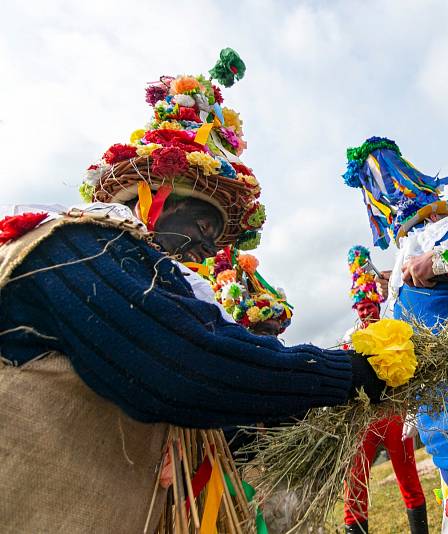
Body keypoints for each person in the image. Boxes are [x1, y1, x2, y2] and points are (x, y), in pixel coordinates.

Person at [0, 51, 384, 534]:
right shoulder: (79, 246)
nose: (207, 245)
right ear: (157, 195)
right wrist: (347, 372)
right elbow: (187, 364)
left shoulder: (139, 271)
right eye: (204, 224)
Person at [339, 245, 428, 534]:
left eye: (370, 306)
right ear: (356, 310)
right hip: (361, 421)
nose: (366, 311)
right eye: (361, 307)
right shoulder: (348, 339)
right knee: (354, 484)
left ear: (378, 306)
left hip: (393, 415)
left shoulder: (394, 329)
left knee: (408, 479)